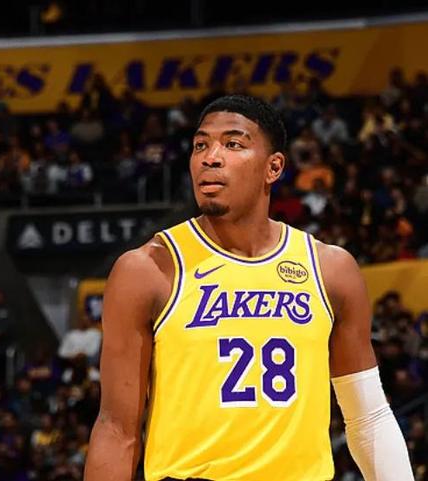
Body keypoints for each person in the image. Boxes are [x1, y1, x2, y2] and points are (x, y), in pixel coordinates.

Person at [85, 95, 413, 481]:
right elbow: (116, 429)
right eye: (200, 145)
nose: (210, 157)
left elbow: (369, 418)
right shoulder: (147, 270)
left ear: (273, 168)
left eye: (233, 144)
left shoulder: (330, 269)